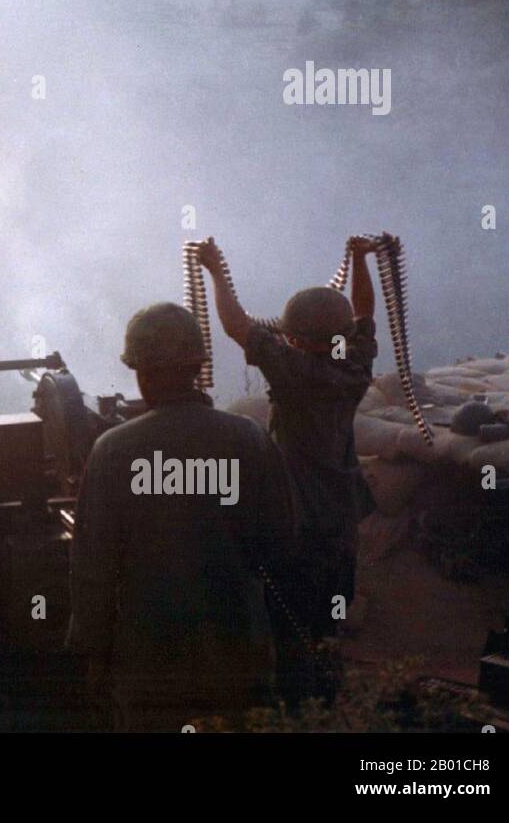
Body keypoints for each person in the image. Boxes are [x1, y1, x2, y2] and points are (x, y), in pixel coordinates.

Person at [68, 302, 296, 730]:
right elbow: (283, 549)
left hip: (152, 669)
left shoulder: (114, 451)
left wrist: (92, 660)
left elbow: (93, 573)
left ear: (142, 372)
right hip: (238, 659)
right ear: (196, 365)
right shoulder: (248, 439)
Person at [197, 236, 380, 703]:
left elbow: (237, 325)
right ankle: (330, 706)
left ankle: (300, 713)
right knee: (327, 630)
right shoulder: (353, 365)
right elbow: (362, 315)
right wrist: (360, 260)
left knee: (290, 636)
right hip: (340, 528)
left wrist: (216, 270)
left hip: (296, 530)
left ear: (294, 337)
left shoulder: (293, 373)